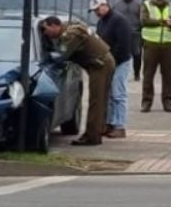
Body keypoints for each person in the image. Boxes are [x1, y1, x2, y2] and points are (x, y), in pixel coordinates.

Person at [40, 16, 115, 146]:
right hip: (100, 62)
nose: (45, 33)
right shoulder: (71, 28)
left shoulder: (70, 34)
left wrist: (48, 53)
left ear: (54, 26)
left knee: (96, 101)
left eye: (45, 30)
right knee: (99, 101)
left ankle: (92, 137)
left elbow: (61, 56)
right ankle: (97, 131)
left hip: (100, 64)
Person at [90, 0, 133, 139]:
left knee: (118, 94)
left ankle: (119, 126)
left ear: (105, 5)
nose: (96, 12)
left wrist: (112, 61)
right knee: (108, 94)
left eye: (97, 9)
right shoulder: (102, 22)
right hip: (109, 62)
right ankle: (109, 123)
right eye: (94, 10)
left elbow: (123, 45)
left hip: (120, 62)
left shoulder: (119, 21)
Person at [140, 0, 171, 112]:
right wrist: (163, 22)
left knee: (168, 75)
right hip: (151, 44)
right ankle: (146, 102)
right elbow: (144, 21)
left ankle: (168, 102)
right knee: (148, 75)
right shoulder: (146, 5)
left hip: (168, 45)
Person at [112, 0, 143, 81]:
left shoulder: (139, 4)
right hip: (121, 34)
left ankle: (137, 74)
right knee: (121, 54)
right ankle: (121, 74)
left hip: (135, 33)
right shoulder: (116, 5)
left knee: (137, 54)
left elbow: (142, 19)